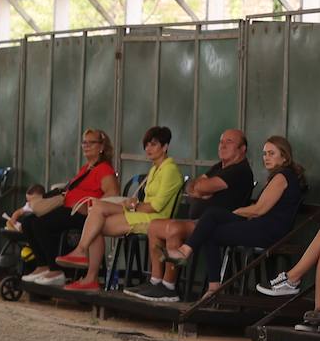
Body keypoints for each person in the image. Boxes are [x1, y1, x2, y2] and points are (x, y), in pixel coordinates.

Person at [162, 136, 307, 297]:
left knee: (210, 230)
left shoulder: (282, 177)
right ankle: (188, 255)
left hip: (268, 231)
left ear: (284, 156)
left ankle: (210, 283)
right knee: (212, 215)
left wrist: (236, 212)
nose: (266, 157)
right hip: (261, 225)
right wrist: (241, 212)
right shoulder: (280, 176)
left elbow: (259, 209)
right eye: (265, 154)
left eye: (272, 153)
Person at [127, 129, 253, 301]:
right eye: (221, 141)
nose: (222, 145)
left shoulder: (240, 170)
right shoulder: (219, 167)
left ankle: (168, 286)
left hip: (218, 224)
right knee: (155, 226)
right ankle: (155, 281)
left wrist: (202, 189)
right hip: (199, 220)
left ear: (242, 148)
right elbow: (191, 186)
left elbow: (202, 187)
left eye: (229, 142)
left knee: (173, 228)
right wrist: (200, 188)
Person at [55, 126, 183, 291]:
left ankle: (85, 264)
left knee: (96, 220)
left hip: (154, 220)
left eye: (153, 144)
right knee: (97, 209)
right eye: (146, 145)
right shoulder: (155, 168)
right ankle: (86, 269)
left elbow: (156, 207)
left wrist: (133, 205)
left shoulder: (169, 170)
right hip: (142, 213)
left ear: (165, 147)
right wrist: (132, 204)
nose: (148, 149)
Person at [22, 129, 119, 286]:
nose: (86, 146)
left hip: (83, 213)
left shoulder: (104, 169)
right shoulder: (86, 168)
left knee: (40, 223)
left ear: (101, 147)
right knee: (28, 221)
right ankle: (43, 265)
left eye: (91, 142)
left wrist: (90, 205)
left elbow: (113, 194)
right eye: (84, 142)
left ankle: (56, 270)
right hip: (69, 209)